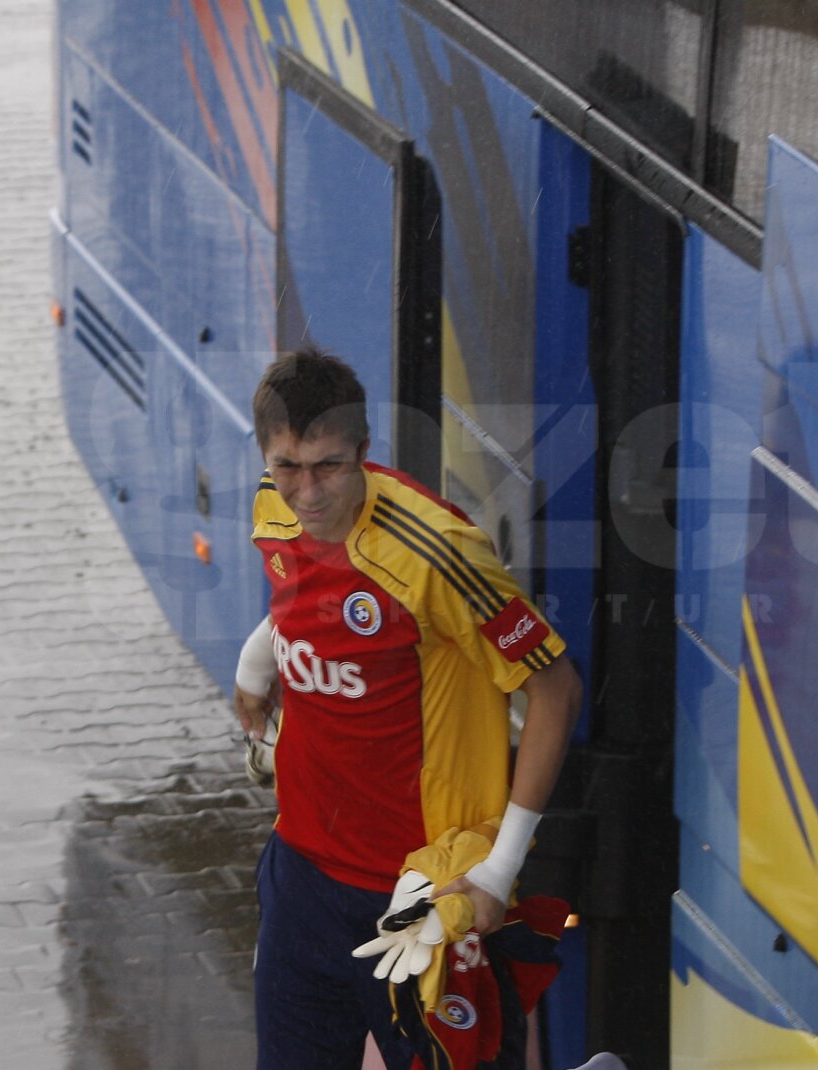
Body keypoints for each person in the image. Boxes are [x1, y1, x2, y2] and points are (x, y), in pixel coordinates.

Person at [232, 345, 582, 1069]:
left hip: (418, 897)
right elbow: (305, 592)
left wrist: (498, 871)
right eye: (287, 466)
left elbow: (557, 688)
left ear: (364, 450)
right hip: (300, 881)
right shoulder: (272, 504)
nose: (306, 493)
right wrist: (259, 658)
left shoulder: (438, 551)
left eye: (328, 466)